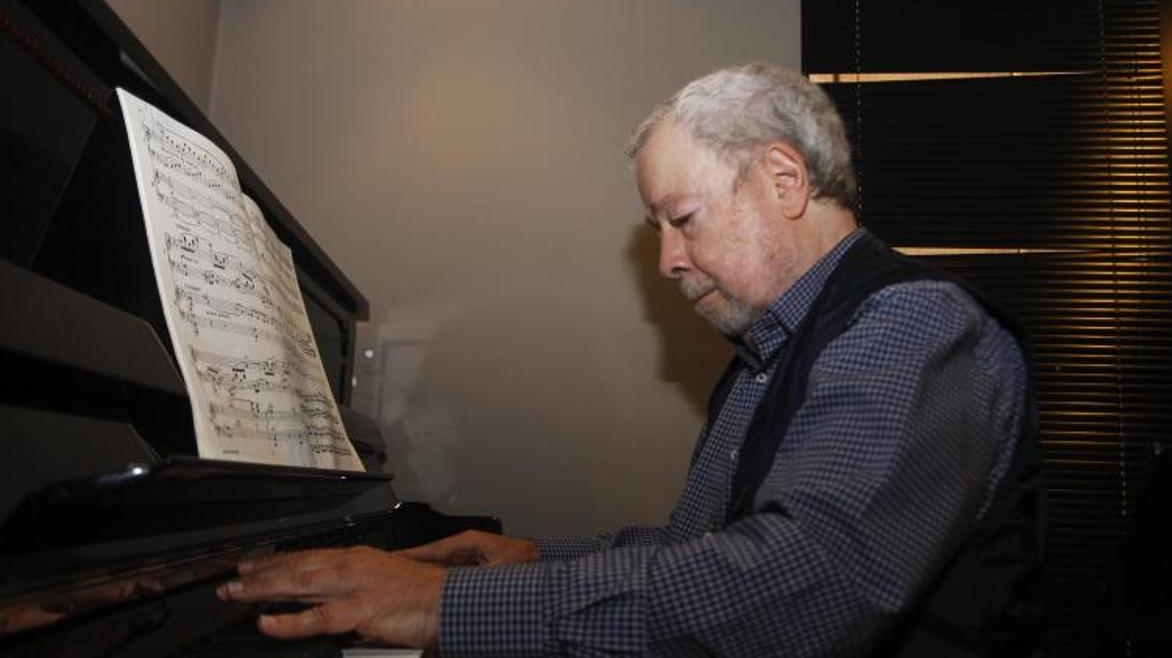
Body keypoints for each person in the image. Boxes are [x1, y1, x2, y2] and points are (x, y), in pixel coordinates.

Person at [218, 63, 1043, 656]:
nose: (668, 262)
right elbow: (705, 552)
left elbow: (798, 593)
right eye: (659, 231)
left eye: (683, 219)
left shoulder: (909, 326)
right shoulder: (771, 353)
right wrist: (539, 558)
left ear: (784, 180)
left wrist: (445, 605)